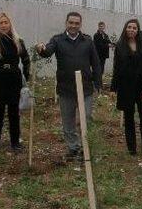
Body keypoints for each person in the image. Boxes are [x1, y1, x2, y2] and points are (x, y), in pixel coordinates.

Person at [36, 12, 102, 161]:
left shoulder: (87, 41)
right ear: (66, 23)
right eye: (71, 23)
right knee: (68, 122)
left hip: (85, 89)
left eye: (76, 23)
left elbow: (96, 63)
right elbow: (47, 52)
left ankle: (86, 148)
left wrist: (98, 82)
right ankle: (73, 148)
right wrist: (41, 49)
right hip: (66, 89)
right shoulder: (58, 40)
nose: (73, 26)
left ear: (80, 25)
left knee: (86, 118)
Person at [0, 12, 30, 153]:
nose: (3, 25)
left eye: (5, 22)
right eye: (1, 23)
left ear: (10, 24)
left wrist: (25, 77)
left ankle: (15, 143)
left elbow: (26, 60)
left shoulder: (18, 41)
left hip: (14, 78)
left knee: (14, 113)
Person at [110, 19, 142, 154]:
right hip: (126, 87)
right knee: (129, 117)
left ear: (137, 30)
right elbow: (116, 68)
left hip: (141, 86)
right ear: (125, 28)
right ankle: (132, 147)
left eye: (134, 28)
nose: (131, 30)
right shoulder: (120, 46)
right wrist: (113, 88)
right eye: (129, 27)